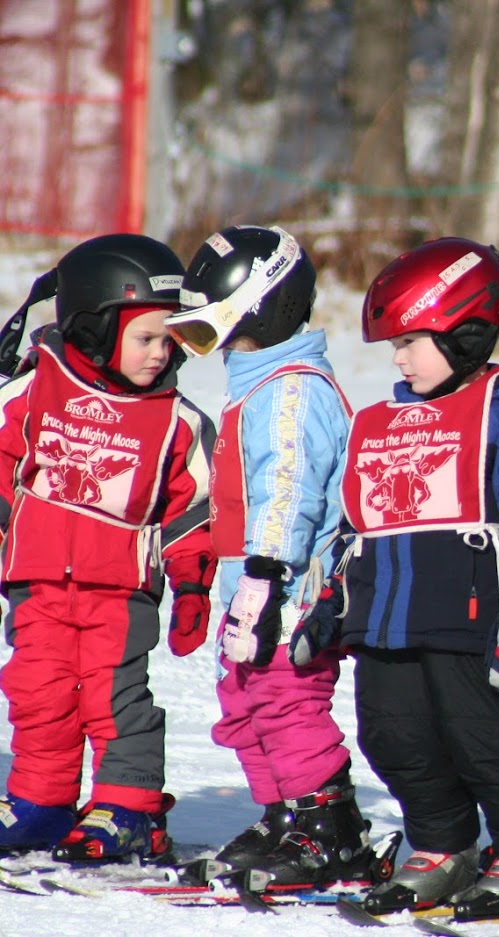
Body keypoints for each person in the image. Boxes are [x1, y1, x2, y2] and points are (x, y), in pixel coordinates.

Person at [299, 237, 499, 916]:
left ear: (467, 330)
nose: (396, 359)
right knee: (393, 735)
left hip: (466, 616)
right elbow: (355, 525)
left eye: (410, 342)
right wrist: (332, 601)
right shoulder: (379, 423)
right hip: (383, 618)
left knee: (486, 739)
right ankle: (440, 844)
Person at [0, 234, 216, 861]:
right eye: (145, 338)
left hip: (119, 592)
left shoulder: (176, 421)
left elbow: (190, 511)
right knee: (38, 693)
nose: (160, 353)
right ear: (92, 327)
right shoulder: (36, 390)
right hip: (38, 584)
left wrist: (194, 586)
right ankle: (41, 801)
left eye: (169, 339)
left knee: (114, 700)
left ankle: (129, 807)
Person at [164, 224, 365, 888]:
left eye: (213, 331)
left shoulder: (292, 389)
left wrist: (266, 571)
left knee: (284, 697)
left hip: (288, 585)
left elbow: (289, 485)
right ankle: (283, 811)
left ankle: (328, 823)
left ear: (264, 308)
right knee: (243, 700)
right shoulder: (260, 383)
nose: (211, 349)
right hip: (246, 584)